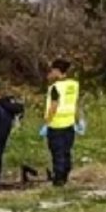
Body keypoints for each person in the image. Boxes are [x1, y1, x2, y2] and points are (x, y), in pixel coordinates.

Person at [43, 59, 81, 187]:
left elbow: (54, 105)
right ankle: (65, 173)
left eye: (52, 70)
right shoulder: (73, 85)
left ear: (56, 71)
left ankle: (58, 179)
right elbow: (75, 103)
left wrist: (47, 122)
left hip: (56, 125)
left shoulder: (55, 87)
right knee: (66, 151)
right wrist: (78, 120)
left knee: (57, 153)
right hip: (69, 124)